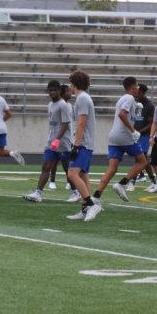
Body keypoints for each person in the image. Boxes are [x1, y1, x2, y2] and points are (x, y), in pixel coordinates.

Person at [90, 76, 149, 203]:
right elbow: (122, 114)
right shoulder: (130, 98)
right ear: (133, 86)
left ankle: (96, 196)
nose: (138, 88)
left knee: (112, 168)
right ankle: (122, 183)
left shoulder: (122, 98)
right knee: (143, 162)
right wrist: (133, 131)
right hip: (124, 136)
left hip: (113, 137)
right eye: (137, 85)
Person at [23, 80, 73, 202]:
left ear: (59, 91)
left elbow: (65, 124)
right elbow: (53, 124)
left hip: (63, 143)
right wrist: (52, 140)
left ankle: (76, 192)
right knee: (46, 167)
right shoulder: (50, 105)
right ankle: (38, 193)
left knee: (69, 170)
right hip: (51, 143)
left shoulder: (63, 105)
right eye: (50, 90)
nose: (52, 92)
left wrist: (57, 139)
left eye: (55, 90)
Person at [65, 70, 100, 222]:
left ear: (75, 84)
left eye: (71, 84)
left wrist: (76, 145)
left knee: (72, 174)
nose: (70, 87)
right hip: (84, 142)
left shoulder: (82, 99)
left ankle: (91, 204)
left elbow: (81, 122)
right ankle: (85, 209)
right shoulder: (83, 98)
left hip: (83, 143)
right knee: (82, 175)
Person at [129, 83, 157, 191]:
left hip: (144, 136)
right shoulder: (134, 102)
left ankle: (133, 181)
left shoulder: (149, 105)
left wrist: (139, 131)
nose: (137, 94)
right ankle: (152, 181)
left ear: (143, 93)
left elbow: (151, 123)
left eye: (139, 93)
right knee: (142, 160)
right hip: (135, 134)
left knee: (141, 158)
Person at [48, 84, 75, 193]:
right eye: (68, 91)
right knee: (54, 160)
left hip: (67, 137)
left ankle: (70, 182)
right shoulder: (56, 105)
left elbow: (71, 122)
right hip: (58, 137)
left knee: (66, 161)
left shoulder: (69, 106)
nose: (70, 93)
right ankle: (52, 181)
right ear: (62, 93)